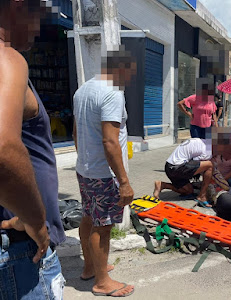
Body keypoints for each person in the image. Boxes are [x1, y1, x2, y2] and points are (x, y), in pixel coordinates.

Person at [0, 1, 66, 298]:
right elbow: (2, 148)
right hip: (19, 251)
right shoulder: (7, 59)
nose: (40, 27)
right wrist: (36, 221)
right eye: (39, 14)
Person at [73, 49, 136, 297]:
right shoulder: (112, 93)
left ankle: (90, 267)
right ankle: (102, 282)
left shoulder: (83, 90)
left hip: (86, 169)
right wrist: (124, 182)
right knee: (104, 226)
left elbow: (77, 131)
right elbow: (110, 141)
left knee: (88, 217)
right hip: (104, 174)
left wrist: (84, 160)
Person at [153, 138, 215, 207]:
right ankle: (202, 196)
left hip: (169, 167)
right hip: (178, 168)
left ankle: (162, 185)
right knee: (210, 165)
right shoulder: (207, 151)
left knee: (188, 191)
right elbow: (200, 169)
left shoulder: (200, 141)